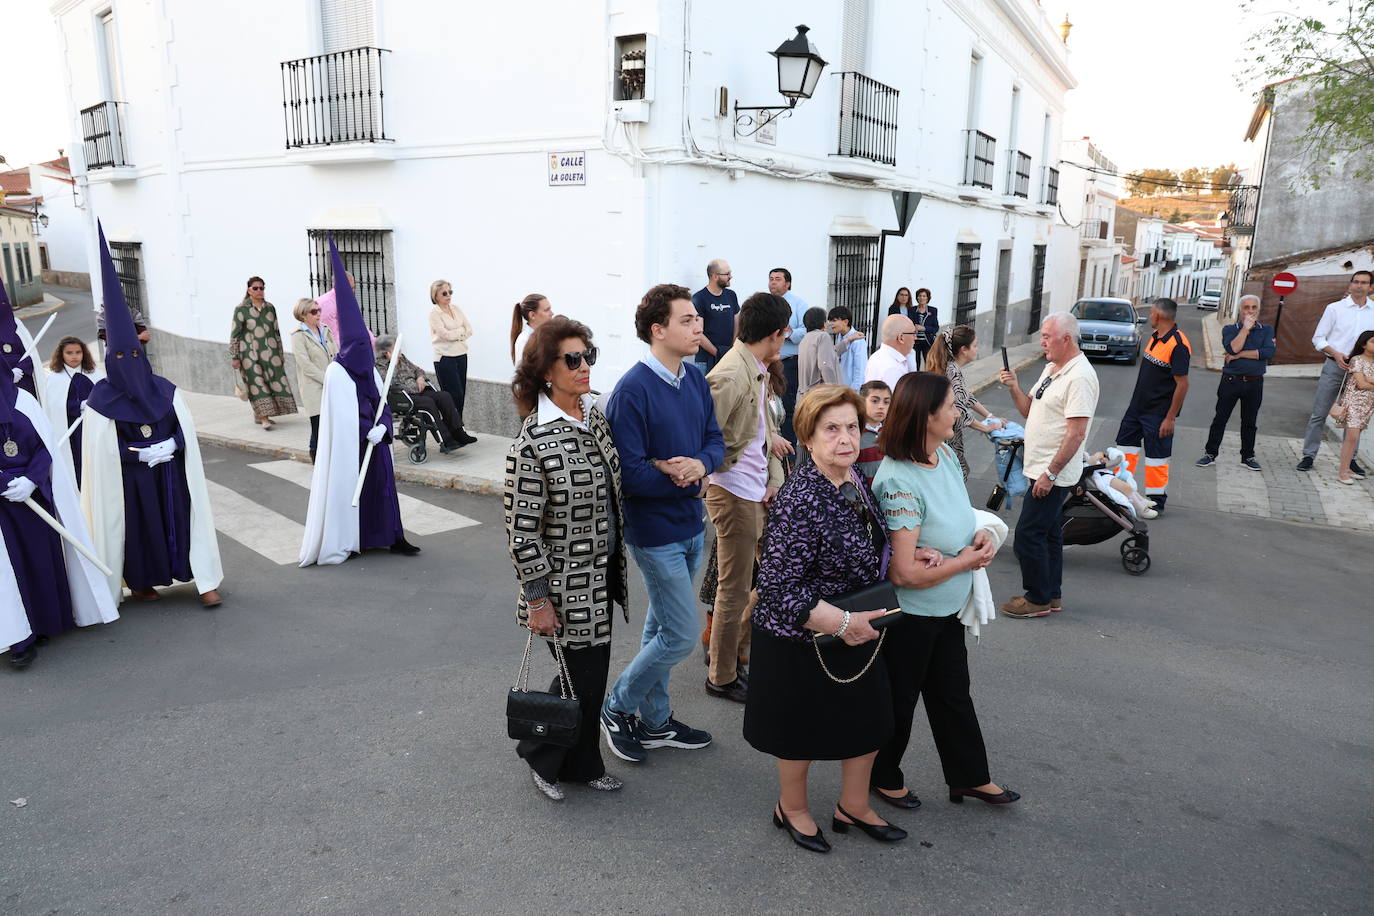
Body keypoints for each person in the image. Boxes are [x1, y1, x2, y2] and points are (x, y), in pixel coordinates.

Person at [745, 384, 906, 854]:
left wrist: (912, 554)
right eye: (831, 429)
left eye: (852, 427)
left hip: (857, 628)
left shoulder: (852, 478)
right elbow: (778, 586)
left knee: (869, 721)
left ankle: (853, 805)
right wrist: (840, 624)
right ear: (808, 438)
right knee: (800, 733)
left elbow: (868, 539)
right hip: (803, 637)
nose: (845, 438)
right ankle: (791, 808)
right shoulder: (800, 498)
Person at [871, 372, 1020, 811]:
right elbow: (903, 573)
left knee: (952, 695)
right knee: (900, 700)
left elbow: (960, 513)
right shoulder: (899, 480)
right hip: (911, 613)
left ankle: (970, 778)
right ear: (925, 416)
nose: (958, 414)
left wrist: (977, 537)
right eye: (951, 408)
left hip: (946, 605)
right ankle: (883, 776)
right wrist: (966, 561)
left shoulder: (943, 457)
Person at [599, 284, 724, 764]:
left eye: (697, 319)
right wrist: (675, 473)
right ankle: (617, 707)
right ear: (659, 330)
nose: (699, 327)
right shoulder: (632, 391)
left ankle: (654, 723)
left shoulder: (693, 378)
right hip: (654, 534)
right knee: (678, 634)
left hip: (693, 525)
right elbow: (627, 473)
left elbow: (715, 440)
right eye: (688, 320)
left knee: (660, 630)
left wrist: (700, 464)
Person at [505, 316, 628, 800]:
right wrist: (537, 600)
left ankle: (581, 762)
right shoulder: (531, 442)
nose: (584, 367)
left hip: (600, 576)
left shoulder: (592, 417)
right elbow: (521, 532)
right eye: (571, 359)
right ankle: (542, 756)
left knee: (590, 674)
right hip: (563, 583)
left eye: (588, 356)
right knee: (584, 675)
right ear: (545, 371)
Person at [81, 225, 223, 609]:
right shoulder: (100, 399)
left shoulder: (165, 389)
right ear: (111, 359)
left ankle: (204, 581)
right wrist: (137, 455)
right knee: (140, 529)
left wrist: (169, 446)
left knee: (183, 521)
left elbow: (184, 431)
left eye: (135, 356)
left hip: (170, 474)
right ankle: (142, 582)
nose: (129, 363)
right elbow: (101, 452)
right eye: (121, 358)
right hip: (132, 480)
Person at [299, 239, 421, 566]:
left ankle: (393, 536)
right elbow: (342, 416)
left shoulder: (367, 368)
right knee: (354, 491)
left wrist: (382, 427)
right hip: (352, 445)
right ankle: (356, 539)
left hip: (374, 442)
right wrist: (365, 429)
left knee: (383, 488)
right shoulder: (338, 372)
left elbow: (381, 402)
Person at [2, 338, 120, 670]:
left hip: (33, 495)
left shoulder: (23, 401)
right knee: (9, 570)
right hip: (2, 505)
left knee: (39, 560)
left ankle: (47, 621)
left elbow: (45, 447)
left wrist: (31, 479)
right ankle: (19, 637)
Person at [704, 291, 791, 702]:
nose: (786, 340)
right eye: (785, 333)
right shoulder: (731, 374)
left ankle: (736, 659)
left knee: (763, 578)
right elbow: (706, 440)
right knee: (733, 590)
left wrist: (770, 477)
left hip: (753, 490)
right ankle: (721, 676)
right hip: (732, 492)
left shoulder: (752, 366)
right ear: (773, 334)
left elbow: (762, 432)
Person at [997, 312, 1099, 619]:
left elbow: (1077, 433)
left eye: (1046, 337)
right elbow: (1030, 410)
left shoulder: (1079, 376)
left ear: (1066, 339)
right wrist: (1015, 386)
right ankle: (1051, 595)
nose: (1041, 342)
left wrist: (1050, 473)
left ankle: (1037, 598)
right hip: (1038, 468)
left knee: (1028, 535)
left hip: (1051, 474)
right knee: (1050, 534)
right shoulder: (1053, 368)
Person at [1114, 298, 1190, 513]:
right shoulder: (1155, 337)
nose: (1150, 317)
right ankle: (1122, 492)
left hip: (1158, 414)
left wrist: (1170, 417)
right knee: (1124, 449)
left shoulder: (1179, 344)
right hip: (1136, 409)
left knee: (1157, 458)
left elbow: (1183, 384)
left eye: (1152, 313)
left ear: (1158, 315)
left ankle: (1157, 501)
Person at [1297, 270, 1374, 476]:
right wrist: (1336, 353)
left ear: (1371, 287)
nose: (1359, 285)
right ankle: (1308, 455)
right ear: (1350, 284)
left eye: (1364, 282)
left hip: (1361, 371)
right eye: (1356, 281)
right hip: (1335, 365)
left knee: (1355, 417)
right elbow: (1319, 338)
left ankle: (1351, 460)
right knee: (1319, 413)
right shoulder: (1334, 308)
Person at [1196, 294, 1275, 471]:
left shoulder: (1267, 330)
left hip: (1254, 383)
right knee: (1220, 419)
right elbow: (1232, 348)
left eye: (1254, 307)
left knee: (1249, 422)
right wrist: (1245, 330)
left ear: (1259, 310)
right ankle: (1210, 453)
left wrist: (1239, 355)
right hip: (1231, 381)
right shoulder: (1230, 329)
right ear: (1240, 310)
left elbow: (1267, 352)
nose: (1250, 311)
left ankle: (1248, 456)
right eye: (1246, 307)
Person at [924, 325, 1006, 480]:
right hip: (946, 437)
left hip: (945, 435)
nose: (977, 349)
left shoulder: (951, 368)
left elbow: (966, 396)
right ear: (964, 349)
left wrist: (990, 415)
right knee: (952, 477)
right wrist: (987, 428)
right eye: (975, 345)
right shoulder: (952, 371)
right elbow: (960, 412)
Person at [374, 335, 465, 454]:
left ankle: (458, 432)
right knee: (428, 403)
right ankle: (446, 439)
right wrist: (393, 363)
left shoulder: (402, 359)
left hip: (419, 391)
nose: (400, 353)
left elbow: (418, 370)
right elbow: (388, 383)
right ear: (387, 353)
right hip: (403, 397)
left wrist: (420, 378)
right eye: (396, 349)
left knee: (444, 396)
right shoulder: (380, 366)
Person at [229, 276, 298, 431]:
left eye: (262, 288)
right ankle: (264, 417)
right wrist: (235, 356)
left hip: (271, 354)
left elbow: (277, 331)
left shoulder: (270, 308)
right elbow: (235, 334)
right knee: (257, 385)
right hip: (249, 355)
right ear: (249, 290)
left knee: (272, 383)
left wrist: (280, 353)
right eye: (255, 288)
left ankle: (259, 414)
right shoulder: (241, 309)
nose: (259, 291)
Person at [43, 336, 103, 484]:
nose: (74, 356)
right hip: (70, 430)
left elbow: (105, 398)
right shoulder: (55, 379)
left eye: (78, 352)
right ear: (61, 354)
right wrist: (78, 406)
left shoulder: (94, 374)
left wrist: (94, 404)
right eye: (69, 353)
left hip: (92, 427)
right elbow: (53, 406)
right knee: (76, 465)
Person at [427, 280, 477, 445]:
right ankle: (452, 432)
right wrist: (460, 332)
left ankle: (458, 429)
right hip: (444, 357)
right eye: (444, 293)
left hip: (461, 354)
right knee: (451, 395)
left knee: (461, 394)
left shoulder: (457, 309)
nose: (448, 296)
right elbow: (444, 335)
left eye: (450, 292)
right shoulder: (434, 313)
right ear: (436, 295)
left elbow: (469, 328)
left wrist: (458, 333)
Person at [289, 297, 337, 464]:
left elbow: (336, 353)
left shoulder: (325, 329)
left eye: (319, 310)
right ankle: (317, 459)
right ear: (303, 315)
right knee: (318, 424)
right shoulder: (298, 336)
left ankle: (327, 456)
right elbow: (305, 365)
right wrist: (326, 379)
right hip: (314, 386)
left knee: (331, 422)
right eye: (314, 311)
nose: (318, 314)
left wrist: (337, 374)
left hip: (331, 383)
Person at [768, 267, 810, 444]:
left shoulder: (798, 304)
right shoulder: (766, 303)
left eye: (778, 279)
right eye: (771, 278)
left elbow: (806, 328)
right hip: (768, 362)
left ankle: (790, 445)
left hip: (789, 362)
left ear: (788, 283)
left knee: (787, 402)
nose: (773, 282)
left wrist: (787, 334)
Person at [1335, 330, 1374, 485]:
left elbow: (1367, 383)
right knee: (1351, 438)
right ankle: (1342, 472)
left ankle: (1348, 468)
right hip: (1354, 403)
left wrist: (1370, 379)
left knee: (1355, 438)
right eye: (1373, 341)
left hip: (1368, 404)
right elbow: (1361, 384)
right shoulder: (1357, 360)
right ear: (1364, 344)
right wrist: (1368, 380)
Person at [692, 259, 740, 371]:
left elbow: (737, 322)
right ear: (715, 276)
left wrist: (731, 350)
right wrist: (718, 353)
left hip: (728, 358)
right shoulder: (699, 298)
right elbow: (698, 332)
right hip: (705, 361)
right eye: (727, 274)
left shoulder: (731, 295)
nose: (730, 276)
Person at [0, 280, 43, 401]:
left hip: (24, 384)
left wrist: (20, 369)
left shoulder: (17, 325)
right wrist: (6, 375)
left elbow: (30, 354)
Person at [315, 271, 375, 349]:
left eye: (353, 288)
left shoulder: (345, 299)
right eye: (350, 288)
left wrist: (373, 342)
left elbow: (357, 323)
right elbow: (330, 334)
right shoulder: (327, 303)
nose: (352, 291)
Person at [887, 288, 939, 370]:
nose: (922, 298)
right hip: (914, 341)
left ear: (927, 298)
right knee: (914, 364)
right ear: (917, 298)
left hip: (927, 341)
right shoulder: (912, 310)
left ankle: (930, 381)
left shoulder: (933, 310)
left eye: (924, 296)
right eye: (920, 296)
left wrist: (924, 328)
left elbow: (935, 327)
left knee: (930, 363)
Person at [797, 307, 841, 398]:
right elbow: (825, 365)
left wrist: (847, 341)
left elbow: (831, 351)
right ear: (823, 323)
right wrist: (835, 391)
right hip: (820, 394)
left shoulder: (804, 340)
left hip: (804, 394)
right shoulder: (822, 336)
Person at [865, 314, 916, 391]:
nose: (915, 337)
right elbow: (896, 402)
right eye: (913, 333)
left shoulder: (877, 356)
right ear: (901, 338)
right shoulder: (892, 368)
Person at [857, 380, 890, 485]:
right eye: (875, 401)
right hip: (865, 492)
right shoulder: (855, 434)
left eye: (886, 402)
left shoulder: (890, 433)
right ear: (862, 402)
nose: (881, 406)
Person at [828, 306, 868, 391]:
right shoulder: (840, 336)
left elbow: (860, 369)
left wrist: (853, 390)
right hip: (840, 387)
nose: (830, 324)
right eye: (830, 321)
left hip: (851, 390)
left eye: (834, 321)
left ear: (845, 322)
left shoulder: (858, 340)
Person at [510, 293, 554, 365]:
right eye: (546, 310)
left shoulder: (544, 337)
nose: (552, 313)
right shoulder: (525, 341)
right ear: (532, 315)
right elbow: (525, 373)